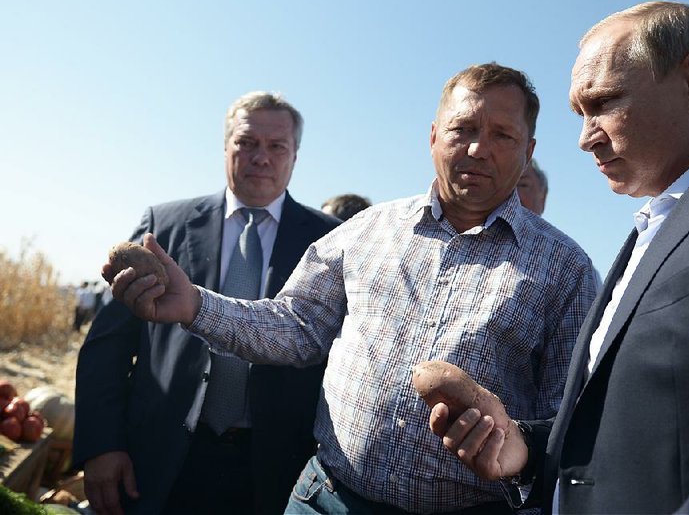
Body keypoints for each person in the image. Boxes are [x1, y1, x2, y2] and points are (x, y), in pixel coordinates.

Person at [106, 62, 598, 514]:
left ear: (529, 150)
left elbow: (570, 426)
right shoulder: (367, 230)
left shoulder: (566, 271)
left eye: (502, 134)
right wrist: (194, 304)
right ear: (432, 137)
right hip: (327, 499)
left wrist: (514, 444)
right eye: (462, 129)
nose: (477, 148)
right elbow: (296, 327)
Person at [429, 1, 689, 514]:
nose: (584, 138)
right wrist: (525, 448)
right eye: (579, 115)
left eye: (602, 103)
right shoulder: (650, 229)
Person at [73, 91, 340, 515]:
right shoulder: (163, 227)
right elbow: (108, 346)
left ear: (295, 156)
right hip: (159, 458)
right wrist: (102, 445)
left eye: (277, 147)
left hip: (277, 470)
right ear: (226, 146)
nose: (261, 158)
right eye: (247, 143)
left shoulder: (332, 240)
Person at [517, 160, 603, 286]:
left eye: (522, 185)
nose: (513, 196)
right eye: (506, 185)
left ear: (543, 196)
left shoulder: (574, 267)